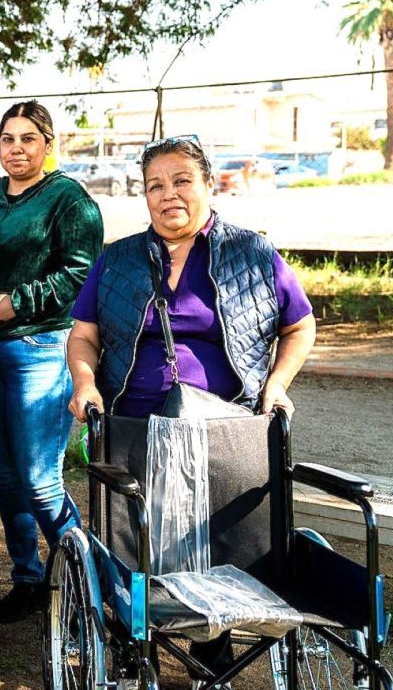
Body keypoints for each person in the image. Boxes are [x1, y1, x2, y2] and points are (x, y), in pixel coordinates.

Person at [66, 133, 316, 681]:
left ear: (208, 184)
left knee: (215, 534)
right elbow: (83, 336)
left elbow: (299, 327)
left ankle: (212, 636)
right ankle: (139, 629)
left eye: (181, 180)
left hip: (227, 426)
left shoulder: (253, 253)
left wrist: (277, 385)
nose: (168, 194)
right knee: (142, 535)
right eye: (155, 185)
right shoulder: (117, 260)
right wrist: (84, 383)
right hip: (135, 425)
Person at [0, 100, 103, 623]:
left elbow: (79, 276)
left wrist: (14, 302)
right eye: (8, 138)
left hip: (40, 348)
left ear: (47, 144)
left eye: (27, 138)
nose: (16, 148)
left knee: (39, 478)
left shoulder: (68, 200)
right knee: (7, 477)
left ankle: (86, 584)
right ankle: (29, 578)